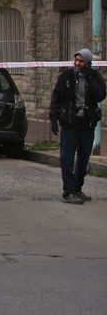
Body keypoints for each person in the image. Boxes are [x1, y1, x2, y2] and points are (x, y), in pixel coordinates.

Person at [49, 48, 106, 204]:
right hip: (70, 123)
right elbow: (57, 97)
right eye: (76, 60)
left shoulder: (94, 76)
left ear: (87, 63)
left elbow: (101, 95)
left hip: (87, 123)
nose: (78, 64)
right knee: (66, 158)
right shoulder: (66, 76)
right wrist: (53, 117)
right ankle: (68, 191)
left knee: (83, 158)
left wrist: (91, 80)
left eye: (81, 61)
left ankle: (77, 188)